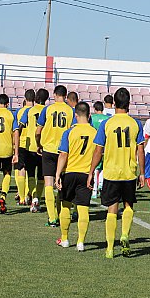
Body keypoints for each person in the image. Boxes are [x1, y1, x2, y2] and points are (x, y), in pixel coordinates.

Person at [88, 87, 145, 259]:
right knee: (128, 205)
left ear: (113, 104)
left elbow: (98, 150)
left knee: (112, 209)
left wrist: (91, 171)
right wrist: (142, 172)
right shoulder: (136, 124)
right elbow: (140, 150)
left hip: (111, 172)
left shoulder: (107, 123)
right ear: (129, 103)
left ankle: (110, 248)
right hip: (129, 172)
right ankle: (125, 235)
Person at [54, 101, 98, 251]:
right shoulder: (95, 133)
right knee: (83, 208)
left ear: (75, 115)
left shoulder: (69, 132)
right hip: (86, 174)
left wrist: (57, 174)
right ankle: (80, 242)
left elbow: (63, 155)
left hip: (70, 173)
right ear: (89, 115)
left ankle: (65, 239)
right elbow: (99, 154)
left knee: (65, 204)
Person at [36, 85, 74, 226]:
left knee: (49, 183)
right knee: (62, 184)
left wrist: (39, 144)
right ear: (65, 96)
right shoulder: (71, 111)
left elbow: (38, 131)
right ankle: (60, 214)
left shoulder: (48, 109)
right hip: (63, 151)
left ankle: (52, 218)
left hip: (48, 149)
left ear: (54, 94)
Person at [19, 88, 49, 212]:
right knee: (41, 176)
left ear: (36, 98)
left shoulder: (29, 110)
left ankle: (34, 199)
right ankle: (37, 198)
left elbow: (21, 126)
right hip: (44, 146)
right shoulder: (48, 111)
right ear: (47, 99)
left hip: (30, 146)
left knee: (30, 174)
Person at [14, 89, 35, 206]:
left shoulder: (19, 111)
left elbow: (17, 129)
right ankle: (29, 195)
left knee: (21, 169)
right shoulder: (38, 111)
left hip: (21, 143)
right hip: (33, 144)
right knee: (32, 172)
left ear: (25, 98)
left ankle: (21, 197)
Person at [90, 101, 110, 199]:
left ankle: (94, 190)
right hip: (107, 145)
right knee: (104, 166)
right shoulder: (108, 119)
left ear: (95, 109)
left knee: (96, 168)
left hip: (96, 145)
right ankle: (101, 184)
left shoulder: (92, 118)